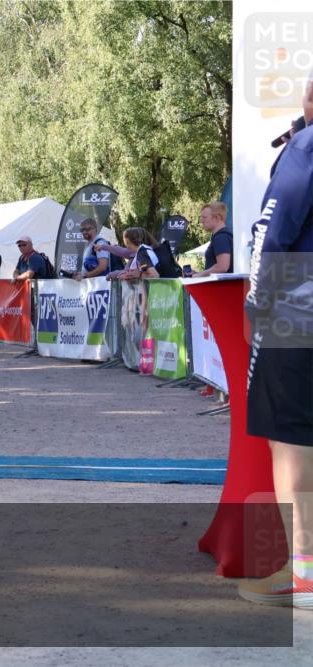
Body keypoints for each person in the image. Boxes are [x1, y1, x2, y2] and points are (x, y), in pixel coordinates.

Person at [237, 74, 313, 610]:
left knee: (291, 440)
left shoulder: (305, 147)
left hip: (297, 317)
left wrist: (254, 304)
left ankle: (304, 572)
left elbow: (272, 233)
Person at [194, 202, 233, 277]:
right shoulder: (224, 235)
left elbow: (223, 267)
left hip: (222, 287)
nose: (201, 221)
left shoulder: (221, 237)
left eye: (204, 217)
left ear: (217, 217)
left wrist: (198, 275)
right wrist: (198, 273)